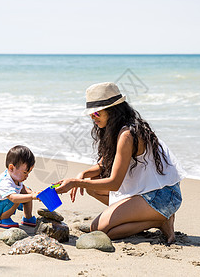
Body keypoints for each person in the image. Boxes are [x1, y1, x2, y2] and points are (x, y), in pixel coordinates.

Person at [56, 82, 185, 243]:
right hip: (149, 189)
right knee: (92, 185)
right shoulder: (115, 130)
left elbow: (114, 183)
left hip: (164, 195)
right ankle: (144, 216)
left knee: (100, 230)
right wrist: (83, 175)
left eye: (96, 113)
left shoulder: (127, 134)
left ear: (112, 111)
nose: (92, 117)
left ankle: (159, 220)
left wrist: (76, 182)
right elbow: (104, 165)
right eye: (91, 114)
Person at [0, 145, 38, 228]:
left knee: (27, 193)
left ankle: (28, 218)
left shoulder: (15, 178)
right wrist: (31, 196)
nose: (27, 176)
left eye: (28, 173)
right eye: (25, 173)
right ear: (11, 168)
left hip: (3, 202)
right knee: (16, 199)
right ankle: (3, 219)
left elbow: (22, 188)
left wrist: (34, 194)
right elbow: (13, 198)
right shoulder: (4, 181)